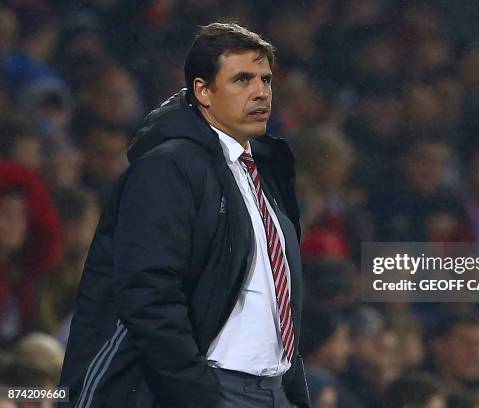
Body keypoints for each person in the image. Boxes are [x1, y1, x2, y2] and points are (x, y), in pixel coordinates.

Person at [59, 23, 310, 408]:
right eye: (242, 79)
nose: (261, 91)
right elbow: (149, 296)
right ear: (203, 91)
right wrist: (195, 393)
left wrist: (293, 394)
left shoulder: (264, 171)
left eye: (265, 79)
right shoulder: (168, 168)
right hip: (209, 389)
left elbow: (278, 300)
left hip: (271, 392)